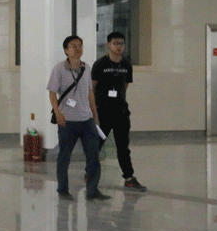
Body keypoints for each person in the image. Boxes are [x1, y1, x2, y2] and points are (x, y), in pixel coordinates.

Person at [48, 35, 108, 201]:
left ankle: (92, 190)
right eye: (73, 46)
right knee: (64, 156)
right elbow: (52, 92)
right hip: (67, 121)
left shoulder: (86, 68)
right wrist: (58, 112)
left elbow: (90, 94)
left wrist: (95, 116)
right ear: (66, 50)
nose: (78, 48)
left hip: (86, 120)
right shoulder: (59, 68)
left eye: (80, 45)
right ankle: (62, 189)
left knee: (93, 155)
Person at [91, 31, 146, 193]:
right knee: (96, 144)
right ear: (108, 45)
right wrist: (93, 111)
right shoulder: (100, 64)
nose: (119, 46)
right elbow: (91, 88)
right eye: (115, 43)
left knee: (123, 147)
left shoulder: (126, 65)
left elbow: (125, 87)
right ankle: (90, 173)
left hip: (121, 112)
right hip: (103, 112)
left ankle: (129, 177)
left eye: (121, 43)